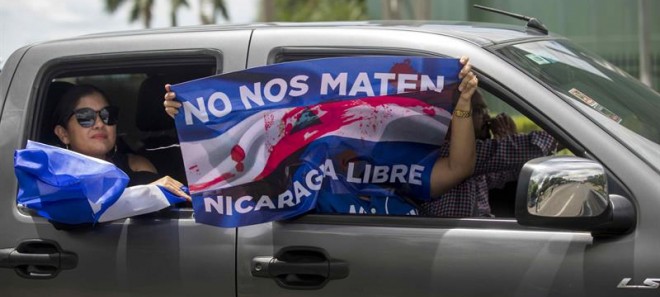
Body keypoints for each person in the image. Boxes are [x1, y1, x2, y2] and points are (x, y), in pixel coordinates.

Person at [163, 57, 478, 215]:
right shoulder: (294, 182)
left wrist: (463, 103)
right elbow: (230, 176)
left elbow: (458, 168)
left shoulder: (388, 168)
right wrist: (194, 118)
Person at [420, 90, 557, 217]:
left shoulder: (474, 161)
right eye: (479, 111)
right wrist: (558, 137)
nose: (488, 118)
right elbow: (521, 150)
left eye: (486, 110)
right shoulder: (448, 152)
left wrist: (506, 140)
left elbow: (504, 172)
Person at [53, 84, 191, 201]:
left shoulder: (136, 166)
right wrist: (147, 193)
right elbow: (75, 211)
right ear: (63, 134)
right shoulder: (54, 177)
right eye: (85, 117)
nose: (99, 124)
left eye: (107, 115)